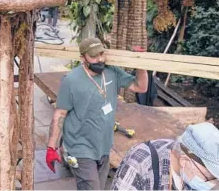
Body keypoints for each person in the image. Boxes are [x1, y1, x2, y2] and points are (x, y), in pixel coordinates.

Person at [45, 37, 149, 190]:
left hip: (104, 147)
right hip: (80, 148)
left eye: (101, 54)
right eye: (93, 56)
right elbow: (60, 114)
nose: (99, 59)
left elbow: (141, 87)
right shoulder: (71, 80)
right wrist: (51, 147)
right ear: (83, 58)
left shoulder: (112, 72)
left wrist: (140, 63)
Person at [110, 122, 219, 190]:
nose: (212, 185)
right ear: (184, 161)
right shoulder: (139, 163)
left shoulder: (192, 173)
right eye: (208, 177)